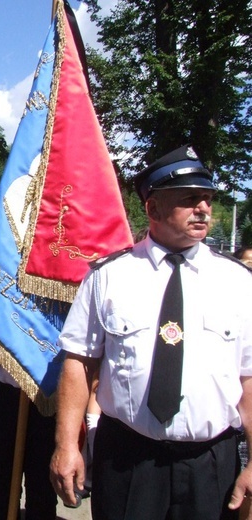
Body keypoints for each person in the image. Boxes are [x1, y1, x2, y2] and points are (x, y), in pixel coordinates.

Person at [49, 145, 252, 519]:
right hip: (128, 461)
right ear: (153, 209)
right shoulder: (109, 276)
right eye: (190, 199)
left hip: (210, 464)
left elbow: (249, 379)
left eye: (207, 199)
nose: (203, 209)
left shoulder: (239, 283)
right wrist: (66, 445)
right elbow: (78, 362)